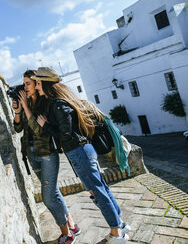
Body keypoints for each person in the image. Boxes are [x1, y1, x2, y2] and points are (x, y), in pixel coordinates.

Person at [32, 67, 131, 244]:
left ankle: (117, 233)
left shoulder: (59, 104)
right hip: (82, 151)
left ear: (46, 84)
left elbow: (66, 134)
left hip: (79, 152)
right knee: (102, 189)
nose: (37, 86)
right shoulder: (59, 102)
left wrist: (45, 125)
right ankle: (120, 225)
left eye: (38, 83)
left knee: (98, 193)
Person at [13, 70, 80, 244]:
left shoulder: (45, 104)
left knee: (48, 197)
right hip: (32, 154)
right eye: (24, 83)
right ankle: (72, 224)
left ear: (36, 84)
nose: (25, 87)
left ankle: (67, 234)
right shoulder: (26, 102)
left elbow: (39, 130)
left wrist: (26, 108)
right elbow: (18, 129)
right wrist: (18, 111)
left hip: (47, 155)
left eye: (28, 83)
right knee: (54, 191)